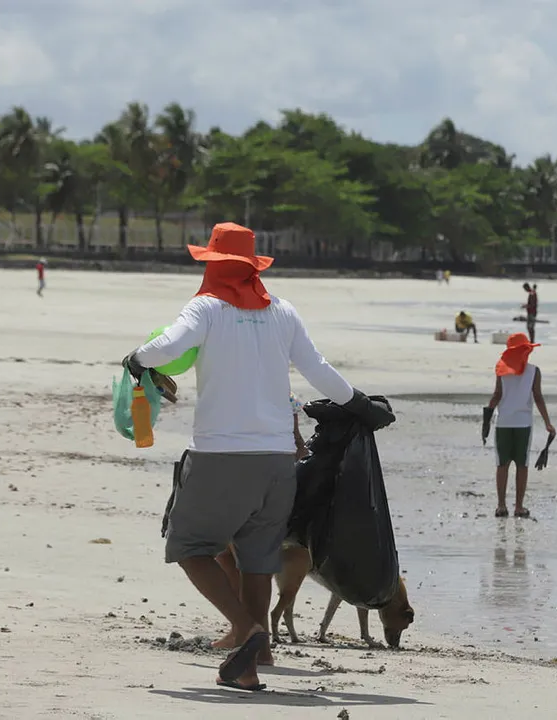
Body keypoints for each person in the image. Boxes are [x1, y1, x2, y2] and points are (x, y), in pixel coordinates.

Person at [123, 222, 393, 692]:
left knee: (188, 546)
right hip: (277, 462)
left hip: (223, 456)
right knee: (256, 557)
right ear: (252, 267)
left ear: (212, 264)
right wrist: (361, 406)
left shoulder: (206, 307)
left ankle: (246, 630)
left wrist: (136, 359)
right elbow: (319, 370)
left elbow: (167, 347)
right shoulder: (283, 312)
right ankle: (254, 660)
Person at [212, 390, 309, 653]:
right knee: (238, 560)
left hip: (246, 478)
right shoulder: (281, 392)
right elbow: (299, 445)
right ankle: (248, 633)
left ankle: (248, 633)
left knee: (239, 559)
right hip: (271, 479)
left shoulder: (245, 388)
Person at [482, 333, 555, 519]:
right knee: (522, 465)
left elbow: (496, 395)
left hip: (503, 423)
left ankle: (501, 506)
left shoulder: (501, 371)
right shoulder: (533, 371)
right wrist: (547, 422)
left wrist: (486, 420)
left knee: (502, 465)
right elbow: (537, 396)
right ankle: (519, 507)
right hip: (523, 424)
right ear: (526, 351)